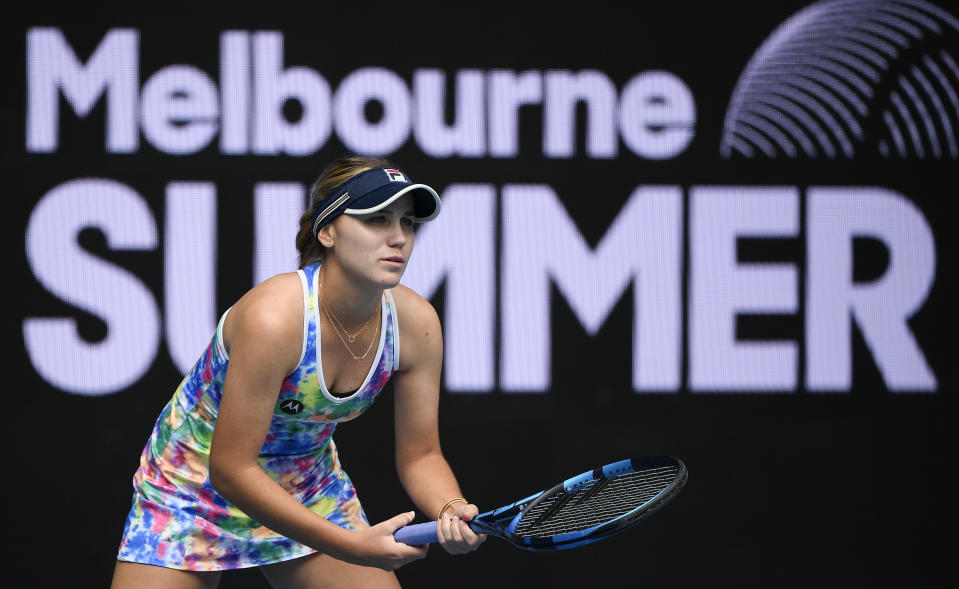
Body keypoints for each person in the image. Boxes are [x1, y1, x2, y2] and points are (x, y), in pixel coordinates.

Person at [111, 156, 485, 589]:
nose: (398, 237)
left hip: (307, 488)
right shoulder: (273, 319)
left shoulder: (416, 323)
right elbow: (230, 469)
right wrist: (350, 546)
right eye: (376, 220)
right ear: (327, 232)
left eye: (406, 223)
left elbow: (422, 455)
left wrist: (449, 507)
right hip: (191, 493)